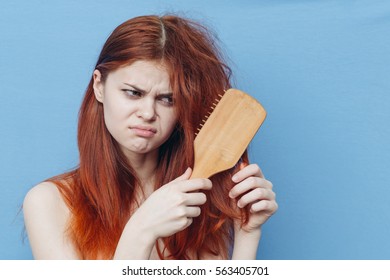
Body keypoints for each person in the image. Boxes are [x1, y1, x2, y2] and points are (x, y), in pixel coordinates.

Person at [23, 14, 277, 260]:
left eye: (167, 99)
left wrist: (248, 233)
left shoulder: (200, 200)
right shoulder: (48, 203)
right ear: (99, 86)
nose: (147, 113)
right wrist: (140, 232)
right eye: (133, 93)